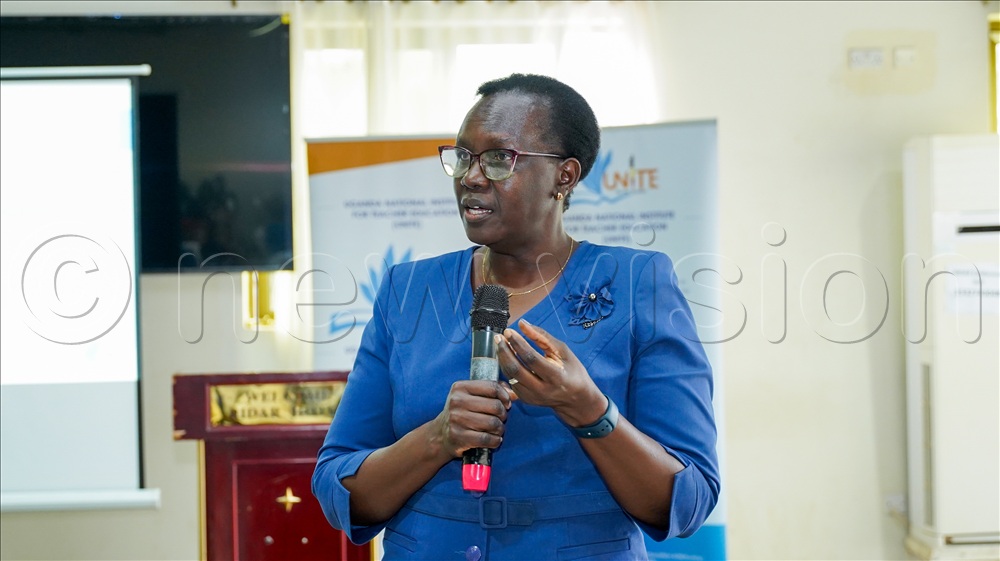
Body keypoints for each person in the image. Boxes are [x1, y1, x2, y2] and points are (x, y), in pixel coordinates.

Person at [313, 73, 719, 560]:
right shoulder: (408, 290)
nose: (471, 177)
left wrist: (589, 409)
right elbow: (339, 489)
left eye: (498, 159)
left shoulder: (638, 284)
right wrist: (437, 438)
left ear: (564, 176)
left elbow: (688, 500)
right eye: (464, 156)